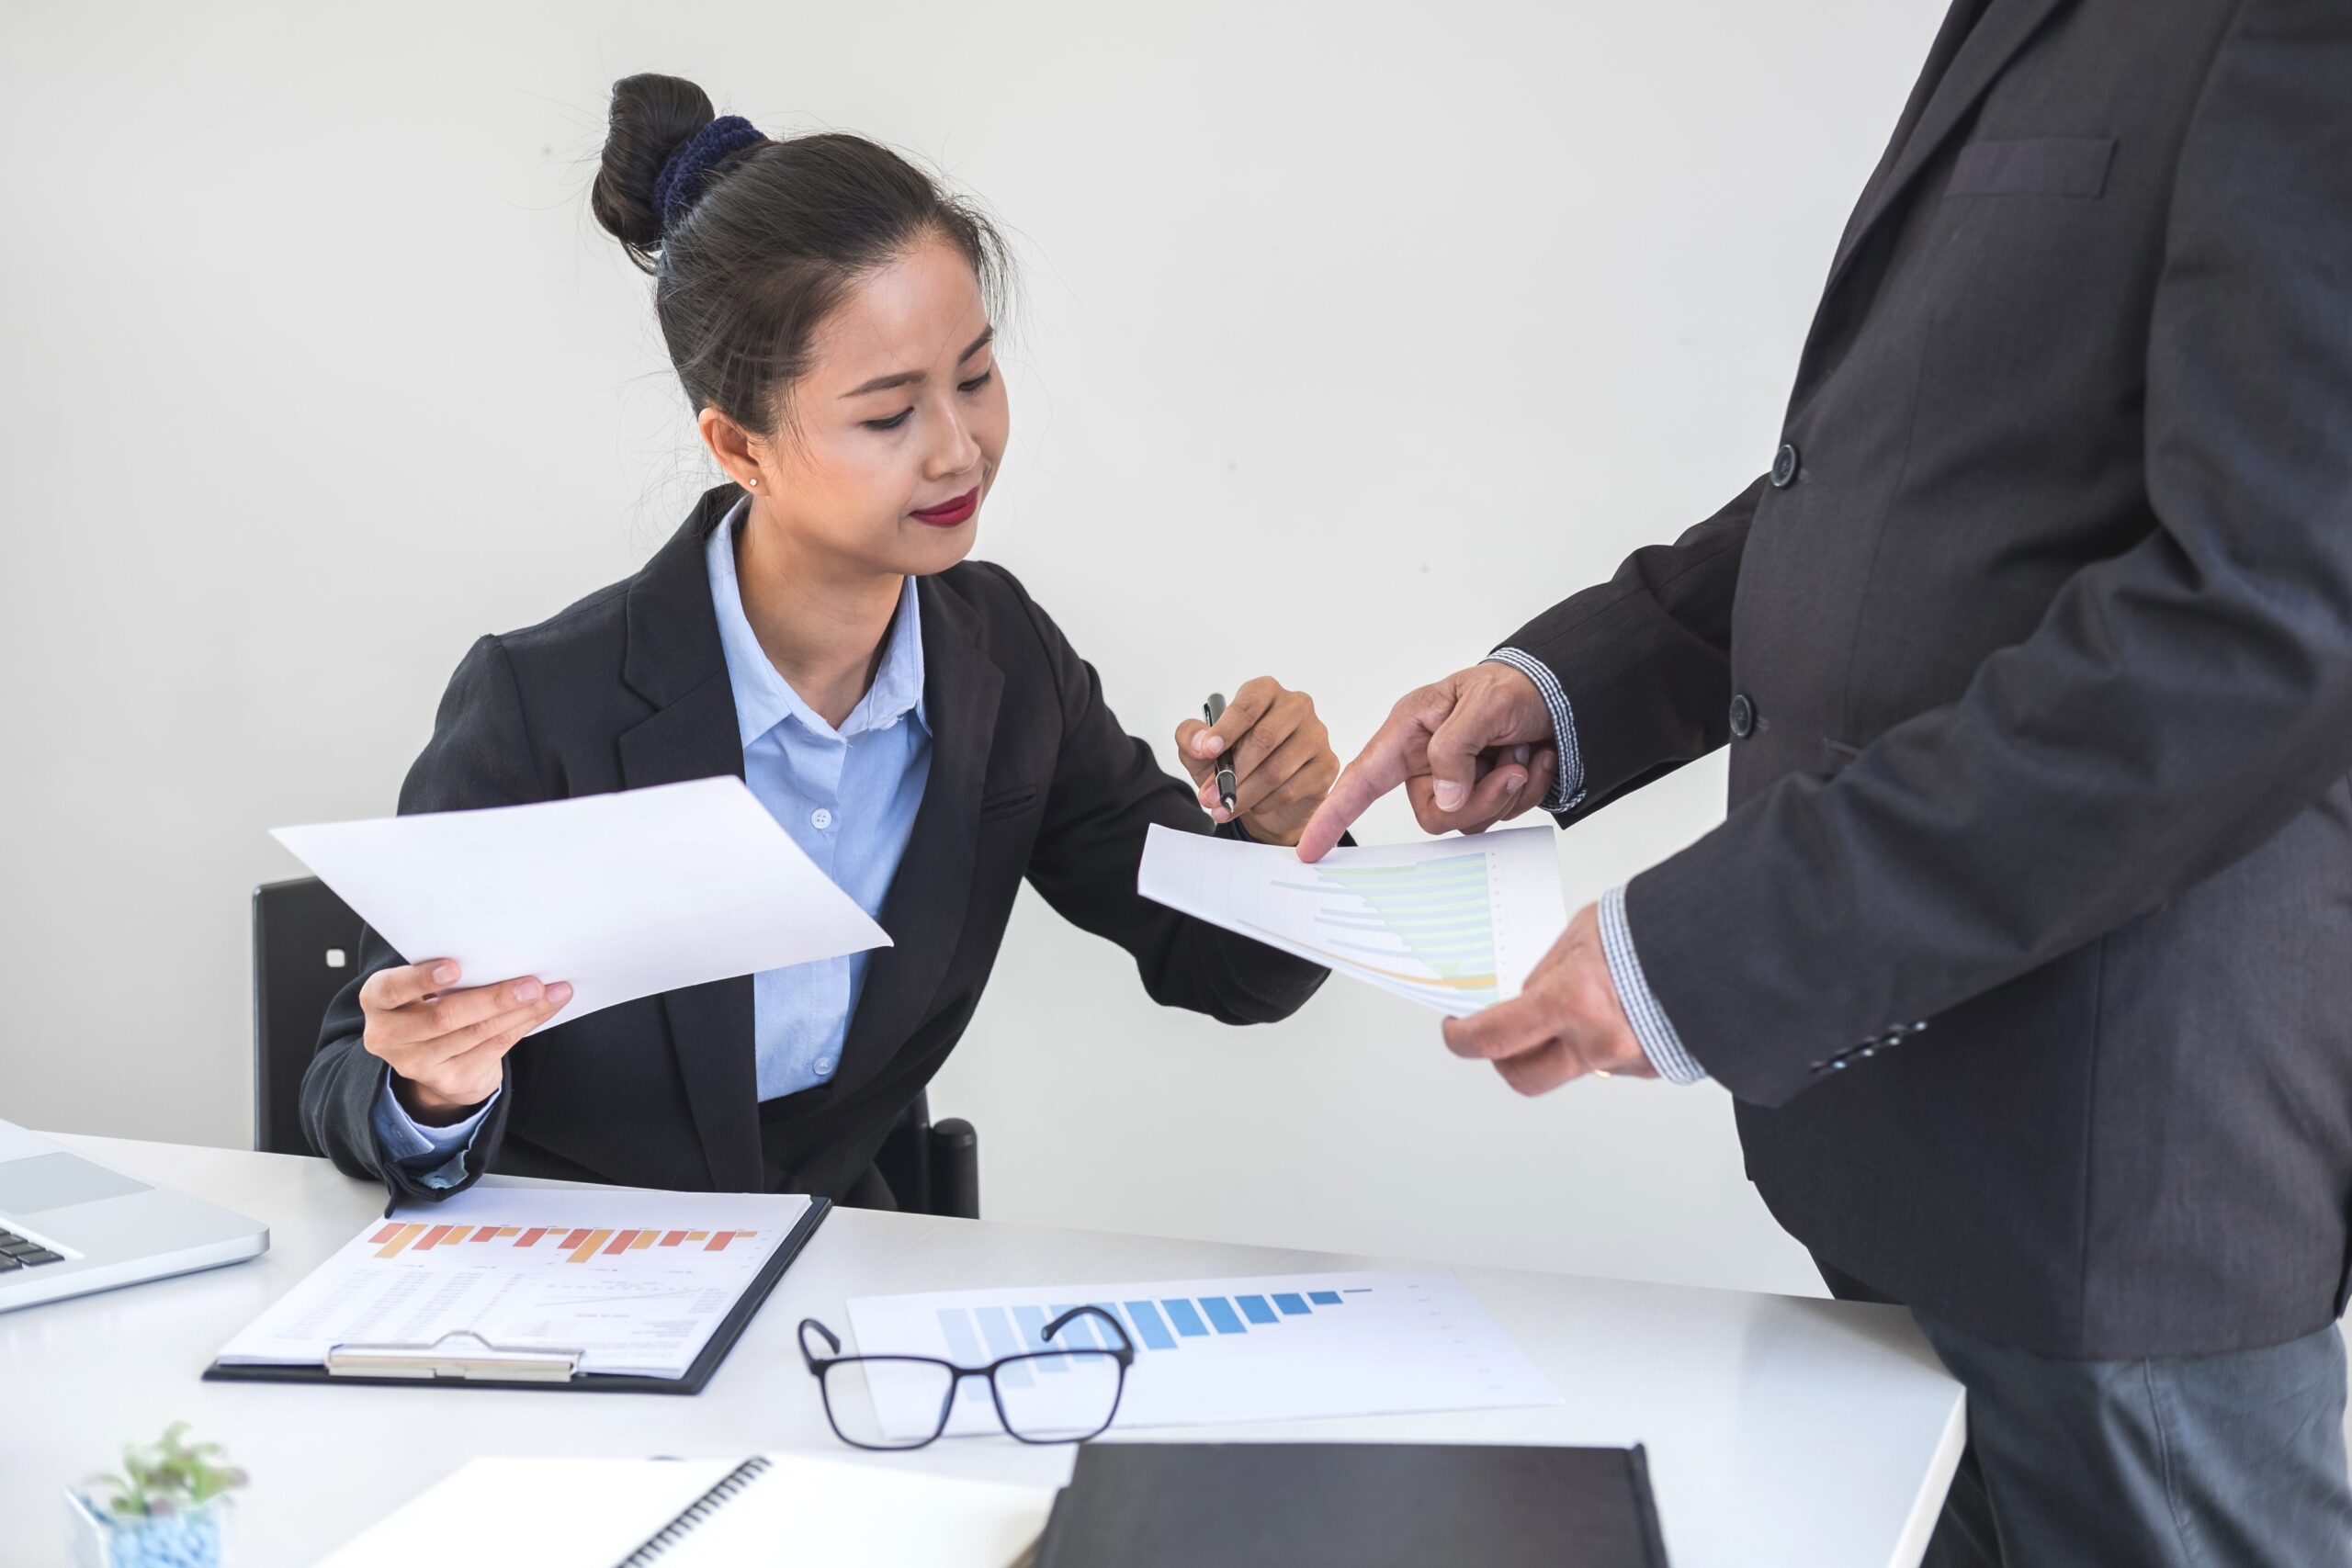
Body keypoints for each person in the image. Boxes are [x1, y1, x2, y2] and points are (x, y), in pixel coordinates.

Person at [1299, 2, 2352, 1563]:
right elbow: (1917, 476)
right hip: (1915, 1157)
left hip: (2115, 1185)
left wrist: (1719, 943)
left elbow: (2259, 624)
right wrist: (1572, 688)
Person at [303, 74, 1340, 1212]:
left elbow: (1224, 967)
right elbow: (348, 1079)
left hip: (845, 1284)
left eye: (976, 378)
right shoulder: (542, 702)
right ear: (738, 446)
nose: (958, 451)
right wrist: (433, 1088)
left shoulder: (1003, 664)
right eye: (889, 414)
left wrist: (1288, 838)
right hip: (567, 1284)